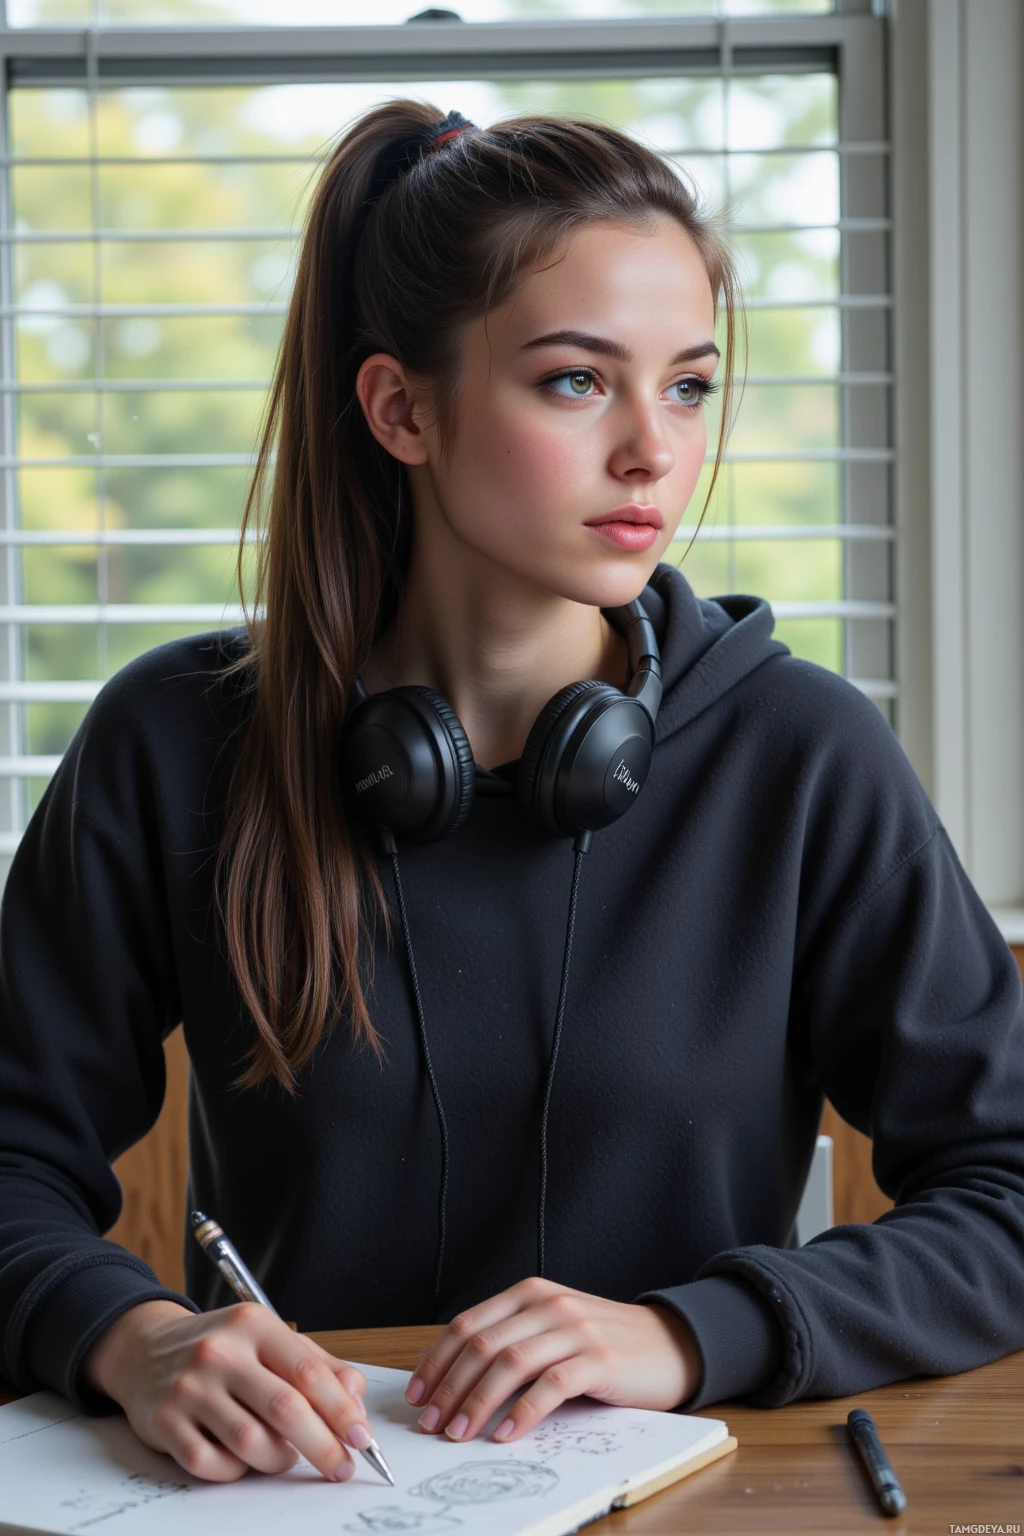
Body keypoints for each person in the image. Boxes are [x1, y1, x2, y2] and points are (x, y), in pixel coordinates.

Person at [1, 99, 1023, 1490]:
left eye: (689, 384)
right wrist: (128, 1334)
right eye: (575, 381)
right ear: (400, 407)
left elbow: (1009, 1191)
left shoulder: (802, 753)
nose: (657, 454)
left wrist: (687, 1330)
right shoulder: (175, 745)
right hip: (298, 1502)